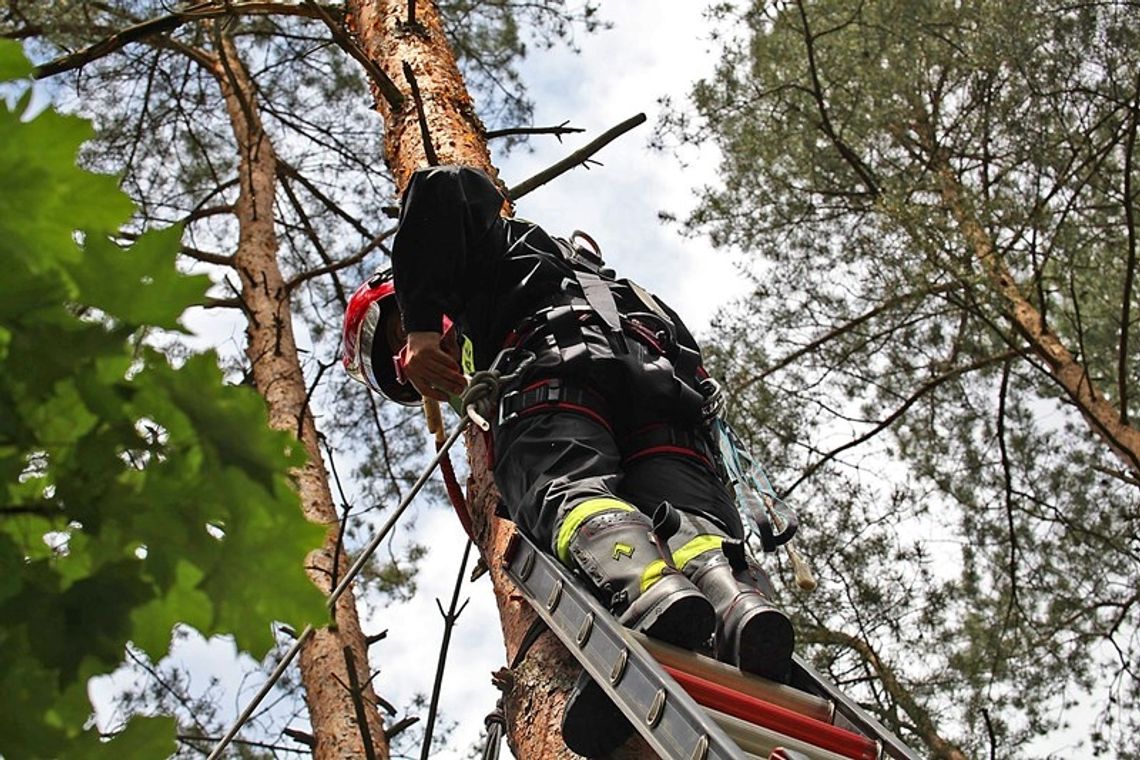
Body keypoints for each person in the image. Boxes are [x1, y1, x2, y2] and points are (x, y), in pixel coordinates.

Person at [343, 165, 794, 756]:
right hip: (664, 399)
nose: (422, 370)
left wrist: (425, 332)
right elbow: (689, 357)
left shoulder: (491, 253)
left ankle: (647, 592)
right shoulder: (607, 284)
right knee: (687, 524)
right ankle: (732, 602)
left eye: (399, 339)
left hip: (555, 378)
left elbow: (439, 187)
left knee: (566, 493)